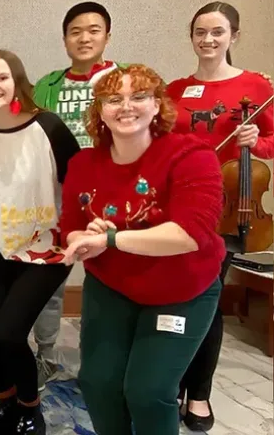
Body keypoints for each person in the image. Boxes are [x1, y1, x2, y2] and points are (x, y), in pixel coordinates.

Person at [59, 64, 225, 435]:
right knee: (99, 384)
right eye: (113, 99)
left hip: (182, 291)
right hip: (112, 286)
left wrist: (111, 239)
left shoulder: (191, 154)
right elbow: (69, 229)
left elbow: (190, 233)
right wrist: (85, 238)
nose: (125, 107)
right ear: (100, 109)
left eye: (138, 97)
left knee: (148, 391)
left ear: (157, 106)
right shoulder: (83, 163)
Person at [166, 2, 274, 431]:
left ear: (234, 36)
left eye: (217, 32)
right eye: (200, 32)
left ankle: (200, 394)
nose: (207, 40)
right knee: (172, 298)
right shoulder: (177, 89)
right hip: (180, 208)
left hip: (227, 213)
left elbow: (270, 139)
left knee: (205, 302)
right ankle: (170, 381)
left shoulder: (256, 85)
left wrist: (257, 141)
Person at [0, 50, 78, 435]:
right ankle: (8, 405)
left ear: (17, 83)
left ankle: (31, 410)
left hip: (44, 252)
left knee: (9, 333)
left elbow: (80, 184)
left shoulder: (48, 127)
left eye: (1, 78)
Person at [30, 1, 127, 391]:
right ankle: (48, 355)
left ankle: (104, 364)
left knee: (112, 285)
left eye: (93, 30)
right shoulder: (46, 85)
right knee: (50, 280)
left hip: (114, 198)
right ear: (65, 38)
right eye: (76, 31)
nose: (84, 38)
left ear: (107, 35)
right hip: (59, 198)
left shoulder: (125, 82)